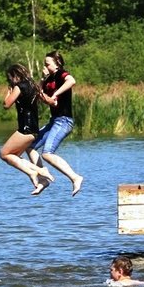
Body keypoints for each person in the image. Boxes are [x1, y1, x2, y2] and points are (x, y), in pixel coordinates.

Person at [27, 50, 83, 196]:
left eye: (47, 63)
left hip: (64, 121)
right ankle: (43, 179)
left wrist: (56, 93)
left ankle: (75, 177)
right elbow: (37, 94)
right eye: (44, 64)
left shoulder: (61, 74)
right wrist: (42, 79)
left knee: (47, 153)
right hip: (54, 121)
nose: (45, 66)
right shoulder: (48, 78)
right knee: (29, 147)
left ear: (57, 63)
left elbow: (72, 81)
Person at [0, 63, 55, 195]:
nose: (10, 81)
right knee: (14, 157)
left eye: (10, 78)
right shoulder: (33, 86)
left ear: (14, 76)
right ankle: (39, 177)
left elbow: (6, 105)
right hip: (34, 130)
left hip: (25, 129)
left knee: (4, 154)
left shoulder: (19, 87)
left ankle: (39, 171)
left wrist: (9, 93)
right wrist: (53, 101)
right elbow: (46, 100)